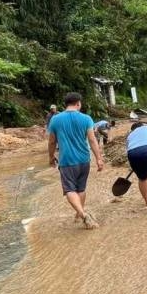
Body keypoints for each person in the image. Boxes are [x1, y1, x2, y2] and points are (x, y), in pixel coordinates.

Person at [47, 92, 104, 229]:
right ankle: (80, 215)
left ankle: (83, 215)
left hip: (67, 161)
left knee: (69, 190)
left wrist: (50, 157)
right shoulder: (86, 118)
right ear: (78, 103)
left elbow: (52, 142)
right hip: (84, 159)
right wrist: (99, 158)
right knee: (81, 188)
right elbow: (92, 140)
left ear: (65, 104)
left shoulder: (55, 119)